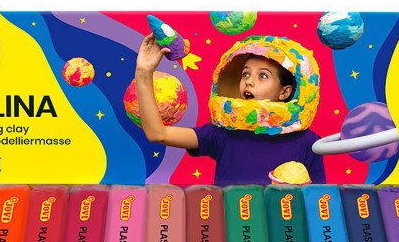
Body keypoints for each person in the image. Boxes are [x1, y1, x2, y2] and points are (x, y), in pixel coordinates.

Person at [133, 32, 326, 185]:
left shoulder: (309, 142)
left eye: (263, 76)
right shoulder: (222, 133)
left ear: (285, 92)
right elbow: (157, 134)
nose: (249, 81)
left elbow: (318, 201)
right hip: (230, 222)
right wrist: (143, 72)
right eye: (246, 74)